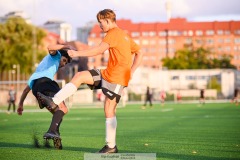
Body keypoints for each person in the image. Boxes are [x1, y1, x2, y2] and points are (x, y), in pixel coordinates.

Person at [37, 9, 143, 153]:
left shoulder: (113, 34)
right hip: (108, 73)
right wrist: (132, 70)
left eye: (100, 23)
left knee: (109, 109)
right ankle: (55, 100)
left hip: (118, 78)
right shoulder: (124, 35)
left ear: (107, 20)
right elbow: (139, 52)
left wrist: (77, 53)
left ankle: (111, 146)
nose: (100, 26)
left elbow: (98, 51)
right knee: (80, 76)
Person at [17, 47, 72, 149]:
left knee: (58, 114)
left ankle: (56, 136)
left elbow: (25, 90)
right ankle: (51, 131)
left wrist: (20, 104)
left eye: (66, 63)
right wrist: (64, 46)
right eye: (64, 60)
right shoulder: (56, 56)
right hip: (46, 83)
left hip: (36, 89)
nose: (64, 64)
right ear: (61, 55)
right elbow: (50, 47)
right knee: (64, 109)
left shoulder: (37, 72)